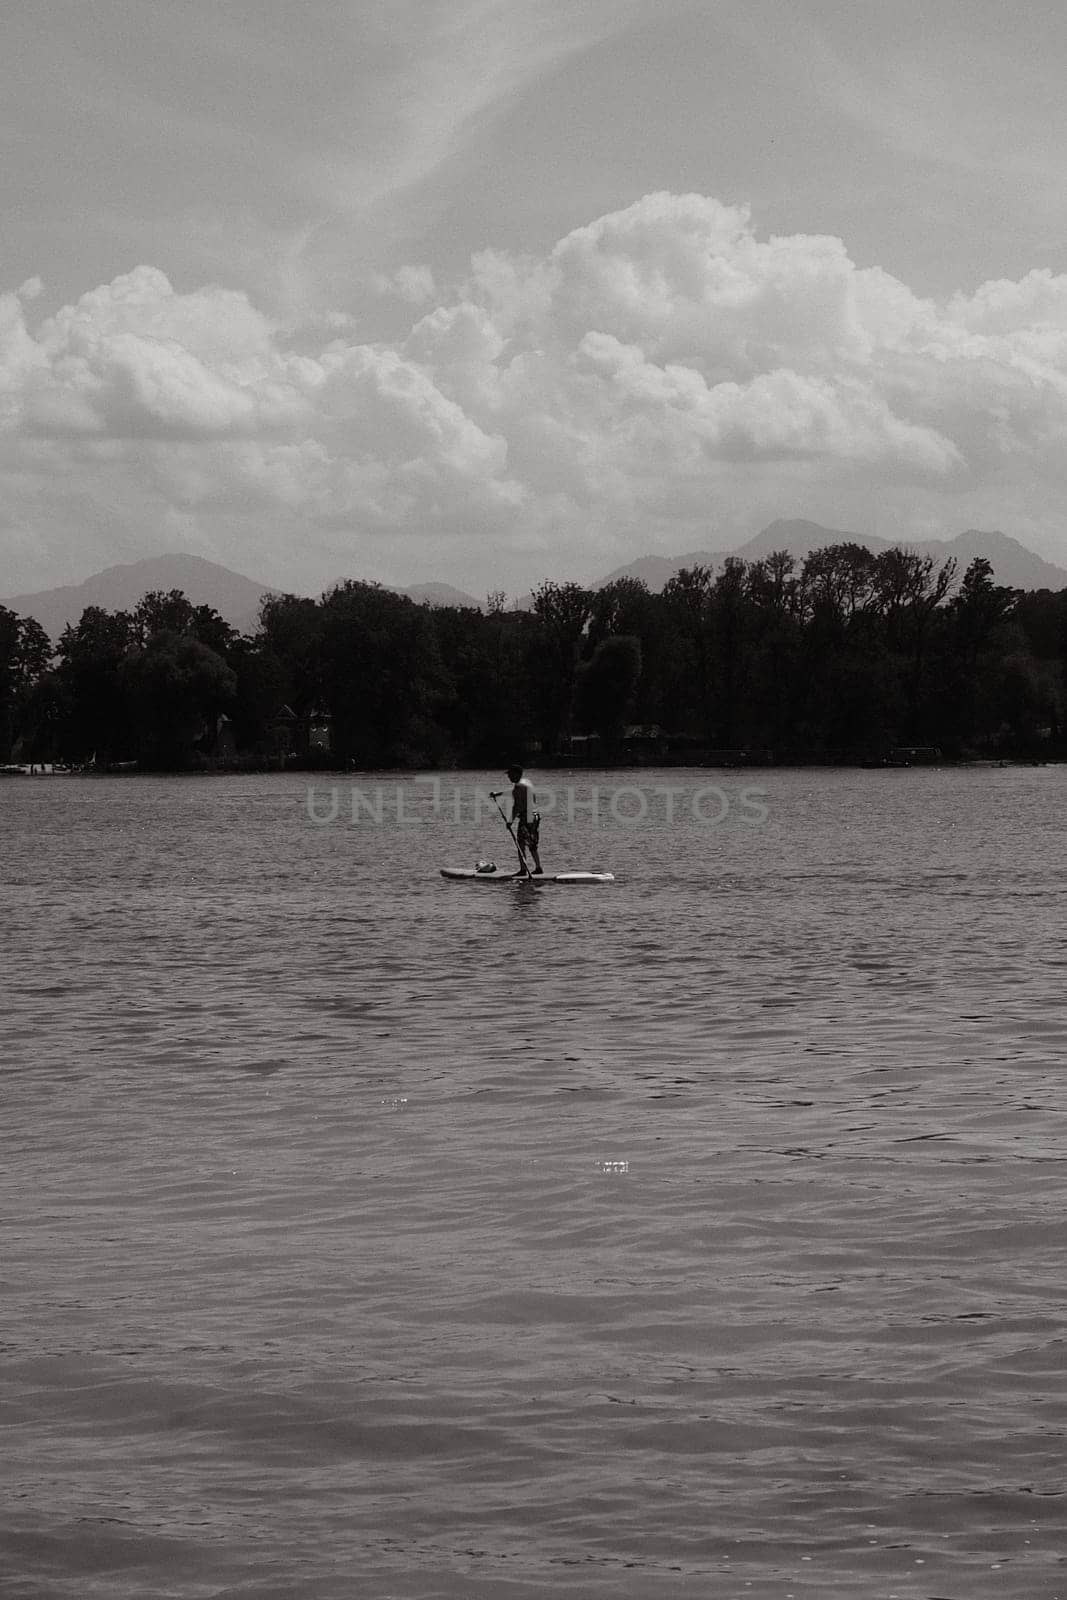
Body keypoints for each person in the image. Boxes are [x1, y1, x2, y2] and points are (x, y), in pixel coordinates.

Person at [503, 763, 542, 874]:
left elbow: (517, 806)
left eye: (510, 774)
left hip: (526, 817)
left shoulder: (518, 787)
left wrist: (510, 821)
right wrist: (499, 794)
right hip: (535, 816)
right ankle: (539, 868)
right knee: (532, 844)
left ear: (516, 774)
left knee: (520, 843)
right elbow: (516, 793)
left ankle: (523, 870)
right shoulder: (526, 782)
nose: (509, 777)